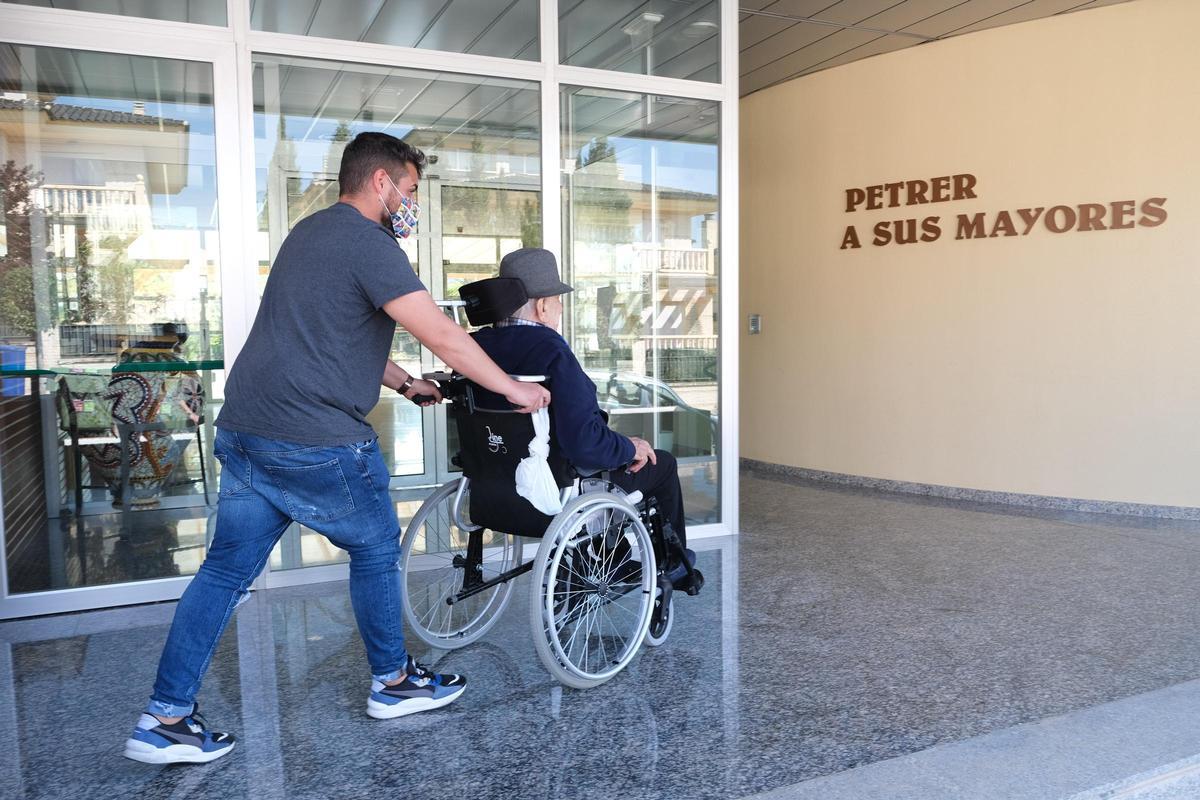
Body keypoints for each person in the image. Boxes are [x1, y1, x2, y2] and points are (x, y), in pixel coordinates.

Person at [123, 132, 550, 766]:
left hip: (248, 430)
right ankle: (394, 683)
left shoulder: (309, 233)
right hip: (313, 436)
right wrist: (514, 388)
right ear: (381, 182)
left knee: (223, 573)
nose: (411, 203)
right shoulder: (370, 243)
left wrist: (403, 382)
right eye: (410, 190)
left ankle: (163, 718)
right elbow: (441, 334)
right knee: (375, 548)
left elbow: (327, 336)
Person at [470, 248, 689, 558]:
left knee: (603, 461)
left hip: (494, 486)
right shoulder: (551, 351)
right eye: (559, 301)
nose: (561, 308)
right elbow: (585, 444)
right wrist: (630, 447)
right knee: (660, 464)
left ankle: (614, 558)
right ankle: (674, 564)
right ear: (543, 306)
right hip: (552, 487)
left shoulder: (475, 348)